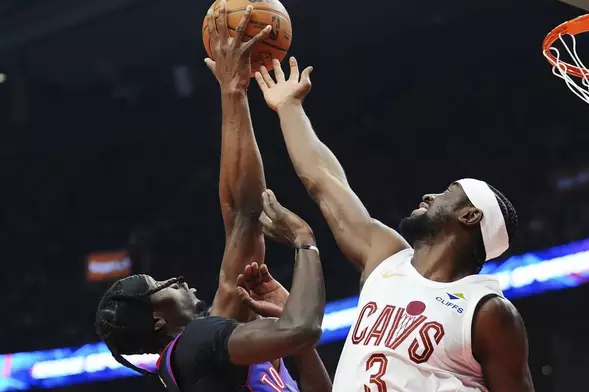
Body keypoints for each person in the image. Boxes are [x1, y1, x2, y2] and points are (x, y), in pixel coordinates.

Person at [253, 57, 535, 391]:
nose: (430, 195)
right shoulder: (386, 257)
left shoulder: (487, 311)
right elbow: (326, 182)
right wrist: (289, 107)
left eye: (448, 192)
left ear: (470, 216)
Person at [94, 3, 330, 391]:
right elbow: (302, 329)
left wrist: (233, 91)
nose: (176, 279)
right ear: (157, 319)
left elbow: (243, 215)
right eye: (160, 285)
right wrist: (305, 241)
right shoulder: (194, 345)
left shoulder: (210, 344)